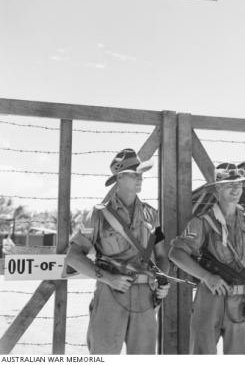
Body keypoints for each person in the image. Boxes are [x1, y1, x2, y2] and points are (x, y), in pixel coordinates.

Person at [66, 148, 170, 355]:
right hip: (111, 294)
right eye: (133, 174)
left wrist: (164, 281)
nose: (139, 178)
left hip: (146, 298)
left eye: (141, 173)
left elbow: (160, 255)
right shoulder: (98, 215)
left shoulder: (151, 214)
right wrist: (108, 279)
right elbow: (74, 257)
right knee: (104, 354)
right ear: (119, 178)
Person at [169, 162, 245, 354]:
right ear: (217, 189)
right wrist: (207, 277)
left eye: (239, 184)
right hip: (210, 297)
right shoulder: (202, 223)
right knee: (202, 353)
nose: (236, 189)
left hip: (241, 301)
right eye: (229, 184)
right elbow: (176, 253)